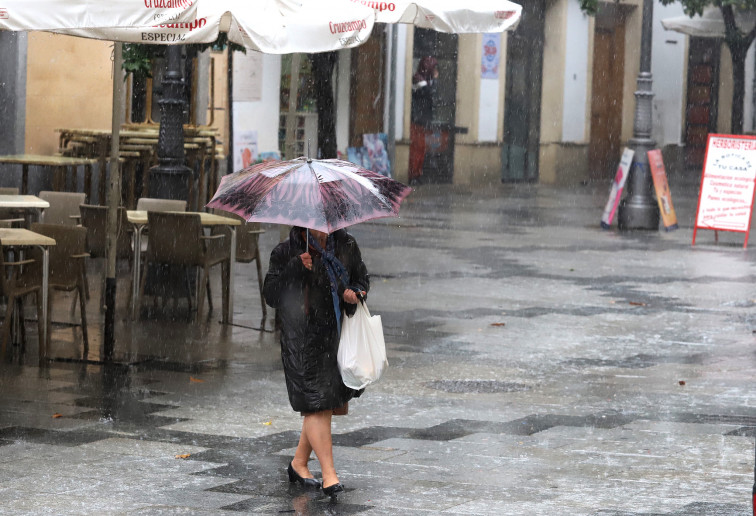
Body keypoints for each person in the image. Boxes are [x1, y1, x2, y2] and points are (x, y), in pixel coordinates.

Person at [263, 226, 369, 499]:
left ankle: (299, 464)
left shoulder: (345, 244)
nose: (321, 228)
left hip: (334, 337)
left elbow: (361, 279)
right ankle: (329, 475)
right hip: (301, 340)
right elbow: (272, 296)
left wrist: (354, 293)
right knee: (316, 403)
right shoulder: (287, 251)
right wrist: (295, 267)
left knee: (324, 404)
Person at [409, 56, 439, 185]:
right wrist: (436, 81)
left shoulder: (427, 80)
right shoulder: (418, 79)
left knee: (421, 149)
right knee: (416, 148)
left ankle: (417, 174)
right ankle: (413, 174)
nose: (435, 71)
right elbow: (429, 92)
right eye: (434, 68)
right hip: (417, 120)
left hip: (423, 120)